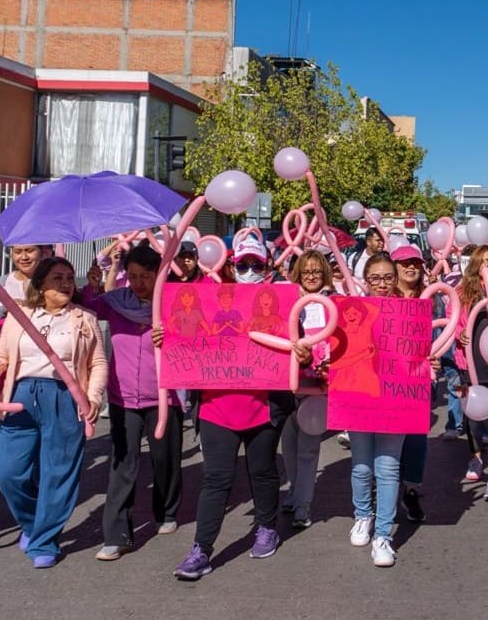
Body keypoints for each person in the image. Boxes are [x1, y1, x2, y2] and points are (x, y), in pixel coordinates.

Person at [172, 235, 297, 580]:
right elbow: (185, 335)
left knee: (263, 472)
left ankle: (266, 527)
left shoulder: (284, 304)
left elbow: (296, 346)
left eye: (256, 265)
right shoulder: (211, 301)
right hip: (217, 407)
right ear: (231, 267)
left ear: (267, 267)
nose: (249, 271)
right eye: (242, 265)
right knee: (216, 479)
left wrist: (298, 352)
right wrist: (165, 336)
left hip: (263, 408)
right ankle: (201, 550)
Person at [0, 257, 107, 568]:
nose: (66, 283)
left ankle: (44, 540)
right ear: (40, 284)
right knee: (8, 473)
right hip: (21, 398)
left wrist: (92, 398)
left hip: (66, 398)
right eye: (58, 278)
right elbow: (0, 358)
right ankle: (32, 523)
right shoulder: (19, 316)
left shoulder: (84, 318)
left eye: (69, 277)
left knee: (58, 473)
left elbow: (97, 363)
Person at [82, 245, 184, 561]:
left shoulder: (174, 304)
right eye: (134, 276)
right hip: (123, 398)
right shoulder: (115, 302)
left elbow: (197, 337)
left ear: (159, 275)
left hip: (165, 397)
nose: (139, 283)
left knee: (164, 460)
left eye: (146, 276)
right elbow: (85, 309)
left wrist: (171, 334)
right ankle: (117, 535)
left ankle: (167, 511)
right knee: (122, 466)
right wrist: (93, 285)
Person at [345, 252, 421, 567]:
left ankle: (383, 536)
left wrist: (426, 361)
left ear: (396, 278)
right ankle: (363, 515)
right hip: (360, 394)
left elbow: (422, 350)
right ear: (365, 280)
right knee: (362, 465)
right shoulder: (352, 311)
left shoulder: (412, 311)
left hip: (396, 398)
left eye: (387, 277)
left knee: (388, 467)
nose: (382, 284)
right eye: (375, 278)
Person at [0, 243, 54, 524]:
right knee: (2, 431)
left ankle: (35, 495)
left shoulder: (51, 282)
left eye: (29, 250)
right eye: (17, 251)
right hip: (4, 367)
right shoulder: (1, 283)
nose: (23, 256)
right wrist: (5, 309)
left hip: (40, 369)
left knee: (40, 435)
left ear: (42, 253)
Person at [390, 243, 448, 524]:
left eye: (415, 262)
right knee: (388, 436)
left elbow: (442, 336)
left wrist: (437, 359)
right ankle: (388, 488)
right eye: (404, 263)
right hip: (388, 378)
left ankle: (411, 489)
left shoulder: (434, 300)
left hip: (421, 378)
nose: (411, 267)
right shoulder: (384, 298)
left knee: (416, 438)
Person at [281, 249, 336, 530]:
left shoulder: (334, 302)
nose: (312, 276)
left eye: (317, 271)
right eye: (306, 271)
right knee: (288, 444)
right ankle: (293, 492)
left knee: (308, 448)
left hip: (318, 384)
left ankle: (303, 504)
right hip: (288, 383)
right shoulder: (286, 300)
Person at [455, 244, 488, 494]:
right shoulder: (462, 291)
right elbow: (454, 321)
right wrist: (458, 335)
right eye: (481, 261)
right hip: (469, 363)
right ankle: (475, 456)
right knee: (472, 416)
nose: (487, 265)